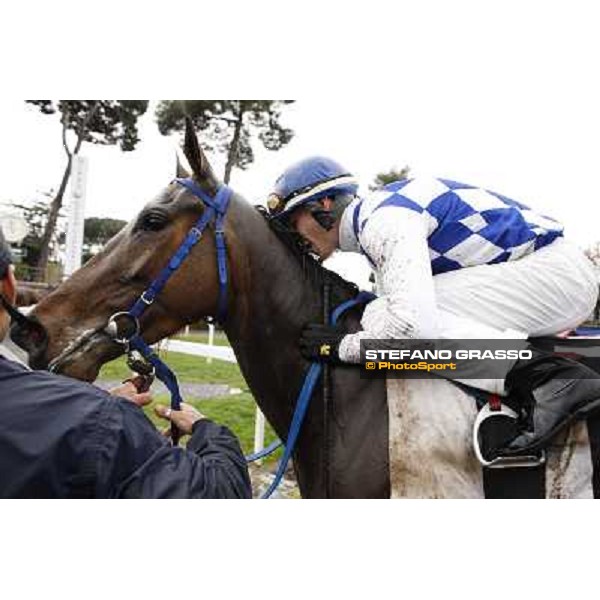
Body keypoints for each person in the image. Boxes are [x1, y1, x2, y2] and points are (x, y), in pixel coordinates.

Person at [268, 156, 600, 457]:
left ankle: (552, 379)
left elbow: (412, 328)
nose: (297, 239)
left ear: (323, 206)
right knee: (386, 312)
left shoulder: (383, 221)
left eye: (292, 222)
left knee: (392, 315)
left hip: (556, 276)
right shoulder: (378, 217)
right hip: (550, 276)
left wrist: (342, 347)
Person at [0, 225, 251, 498]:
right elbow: (222, 494)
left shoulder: (88, 421)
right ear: (9, 286)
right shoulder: (102, 424)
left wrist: (86, 412)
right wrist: (209, 432)